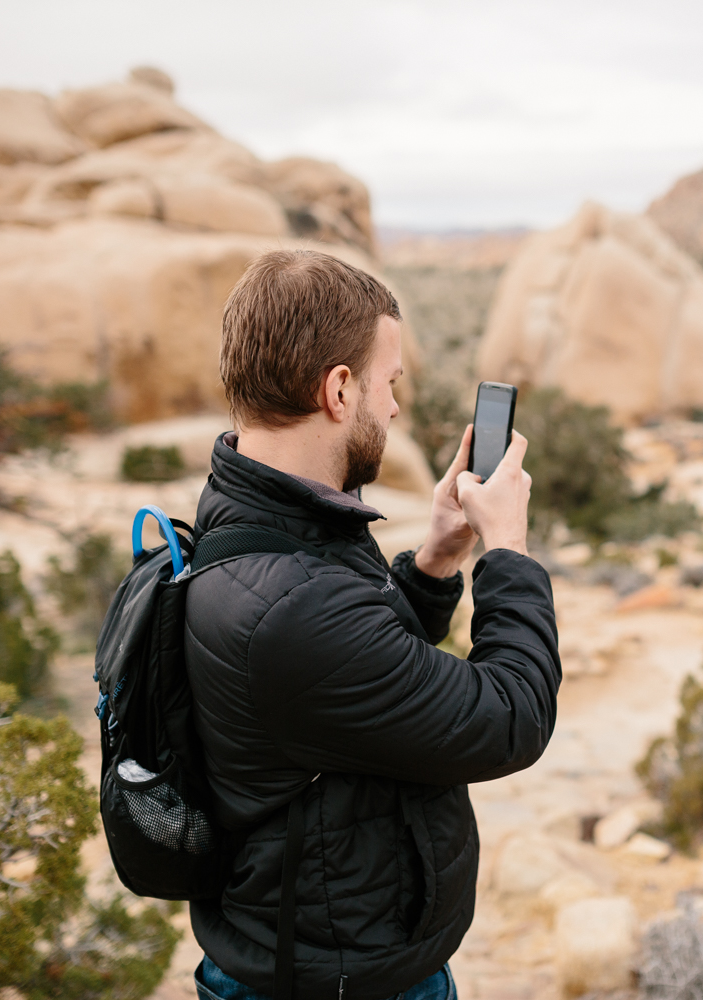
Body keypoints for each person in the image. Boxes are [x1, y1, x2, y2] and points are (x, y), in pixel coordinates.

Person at [183, 249, 560, 1000]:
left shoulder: (258, 512)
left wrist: (439, 557)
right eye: (389, 383)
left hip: (305, 945)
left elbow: (359, 669)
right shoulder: (293, 602)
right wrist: (507, 550)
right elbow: (510, 717)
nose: (393, 406)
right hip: (337, 979)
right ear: (339, 388)